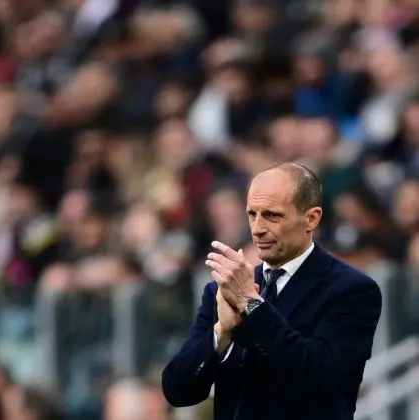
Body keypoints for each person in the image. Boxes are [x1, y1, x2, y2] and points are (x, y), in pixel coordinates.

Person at [161, 163, 382, 420]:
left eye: (272, 215)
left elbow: (321, 382)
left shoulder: (352, 289)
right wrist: (221, 333)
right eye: (252, 214)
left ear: (312, 218)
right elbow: (177, 391)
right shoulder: (221, 291)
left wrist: (252, 305)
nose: (257, 228)